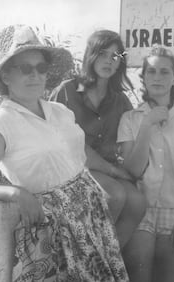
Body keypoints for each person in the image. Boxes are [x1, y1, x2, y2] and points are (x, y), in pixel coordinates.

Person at [0, 25, 129, 282]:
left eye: (41, 68)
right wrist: (16, 192)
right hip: (52, 228)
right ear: (6, 76)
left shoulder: (60, 111)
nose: (35, 75)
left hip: (90, 213)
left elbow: (79, 158)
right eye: (25, 68)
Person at [118, 45, 174, 282]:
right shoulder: (129, 119)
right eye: (151, 71)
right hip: (140, 212)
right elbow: (133, 170)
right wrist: (147, 124)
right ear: (144, 77)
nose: (157, 77)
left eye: (164, 72)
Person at [50, 29, 146, 249]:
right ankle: (88, 257)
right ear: (90, 55)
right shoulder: (67, 91)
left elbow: (130, 143)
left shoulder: (120, 100)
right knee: (114, 194)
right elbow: (65, 144)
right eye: (103, 54)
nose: (109, 61)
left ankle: (109, 261)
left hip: (105, 170)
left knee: (138, 201)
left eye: (115, 56)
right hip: (72, 169)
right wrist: (113, 171)